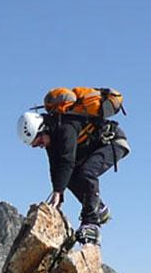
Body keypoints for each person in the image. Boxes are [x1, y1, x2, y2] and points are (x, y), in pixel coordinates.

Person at [17, 90, 130, 243]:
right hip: (96, 146)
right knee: (68, 177)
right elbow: (55, 167)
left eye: (40, 142)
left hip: (113, 143)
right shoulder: (52, 135)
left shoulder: (66, 127)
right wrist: (59, 192)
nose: (41, 146)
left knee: (87, 172)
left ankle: (91, 224)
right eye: (37, 146)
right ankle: (99, 209)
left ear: (43, 130)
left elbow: (67, 161)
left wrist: (58, 191)